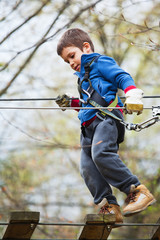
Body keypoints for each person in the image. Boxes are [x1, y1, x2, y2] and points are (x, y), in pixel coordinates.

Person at [56, 28, 156, 223]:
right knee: (86, 167)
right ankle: (109, 206)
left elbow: (122, 77)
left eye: (72, 56)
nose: (71, 63)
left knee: (101, 153)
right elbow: (89, 104)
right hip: (88, 127)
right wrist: (72, 104)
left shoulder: (100, 63)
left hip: (106, 119)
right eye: (67, 61)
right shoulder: (83, 78)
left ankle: (136, 190)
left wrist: (132, 93)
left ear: (85, 47)